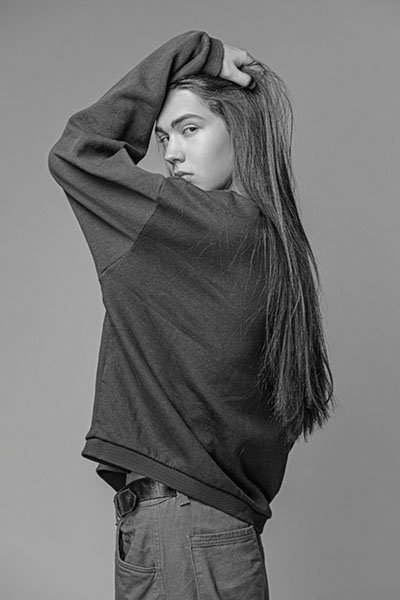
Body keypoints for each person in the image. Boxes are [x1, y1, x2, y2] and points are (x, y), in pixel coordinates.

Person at [47, 29, 334, 600]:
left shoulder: (191, 222)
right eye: (162, 137)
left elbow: (79, 150)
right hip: (217, 533)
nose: (171, 153)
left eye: (190, 129)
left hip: (180, 530)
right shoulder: (272, 239)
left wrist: (192, 50)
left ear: (241, 130)